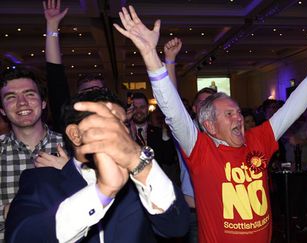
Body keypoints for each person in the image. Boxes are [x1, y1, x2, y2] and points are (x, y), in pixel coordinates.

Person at [113, 5, 307, 242]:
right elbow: (173, 111)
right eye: (228, 114)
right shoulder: (201, 150)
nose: (238, 118)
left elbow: (293, 107)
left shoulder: (258, 139)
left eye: (238, 112)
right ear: (209, 125)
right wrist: (150, 55)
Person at [5, 89, 189, 242]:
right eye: (108, 122)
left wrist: (140, 164)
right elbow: (21, 237)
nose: (121, 131)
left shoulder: (141, 184)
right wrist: (102, 192)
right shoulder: (41, 181)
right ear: (75, 135)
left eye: (123, 124)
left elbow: (177, 226)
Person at [0, 67, 66, 241]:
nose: (22, 102)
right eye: (11, 97)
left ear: (43, 103)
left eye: (29, 94)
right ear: (2, 110)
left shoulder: (72, 148)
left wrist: (71, 173)